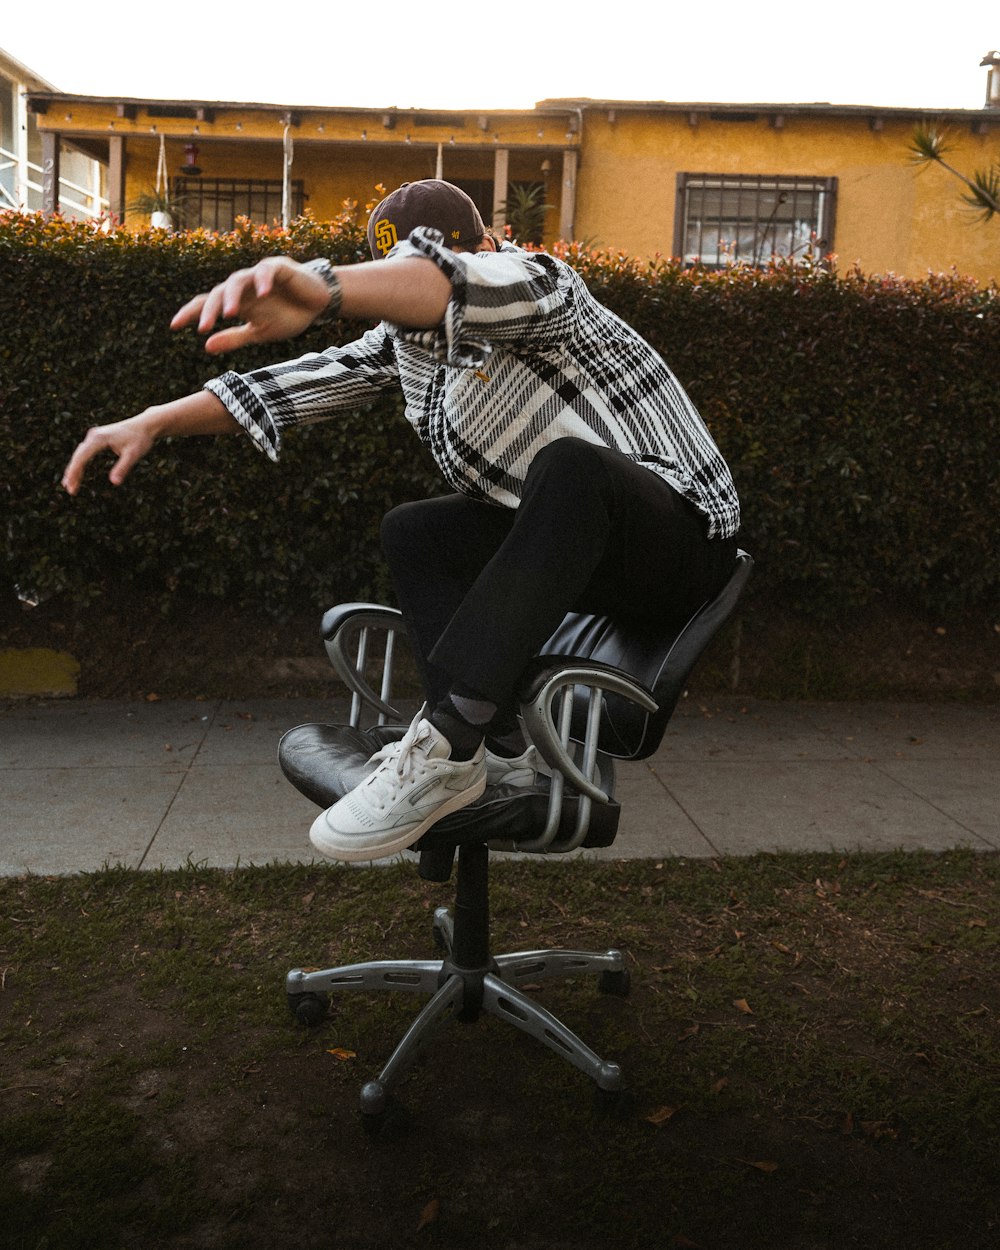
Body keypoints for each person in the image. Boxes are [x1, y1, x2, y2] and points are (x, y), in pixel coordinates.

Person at [63, 179, 740, 864]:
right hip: (592, 560)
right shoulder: (408, 340)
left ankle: (448, 742)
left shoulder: (540, 283)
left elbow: (448, 284)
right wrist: (153, 421)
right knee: (419, 530)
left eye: (421, 273)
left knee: (573, 467)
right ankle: (490, 754)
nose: (413, 321)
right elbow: (299, 383)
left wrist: (325, 287)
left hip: (680, 542)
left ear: (485, 243)